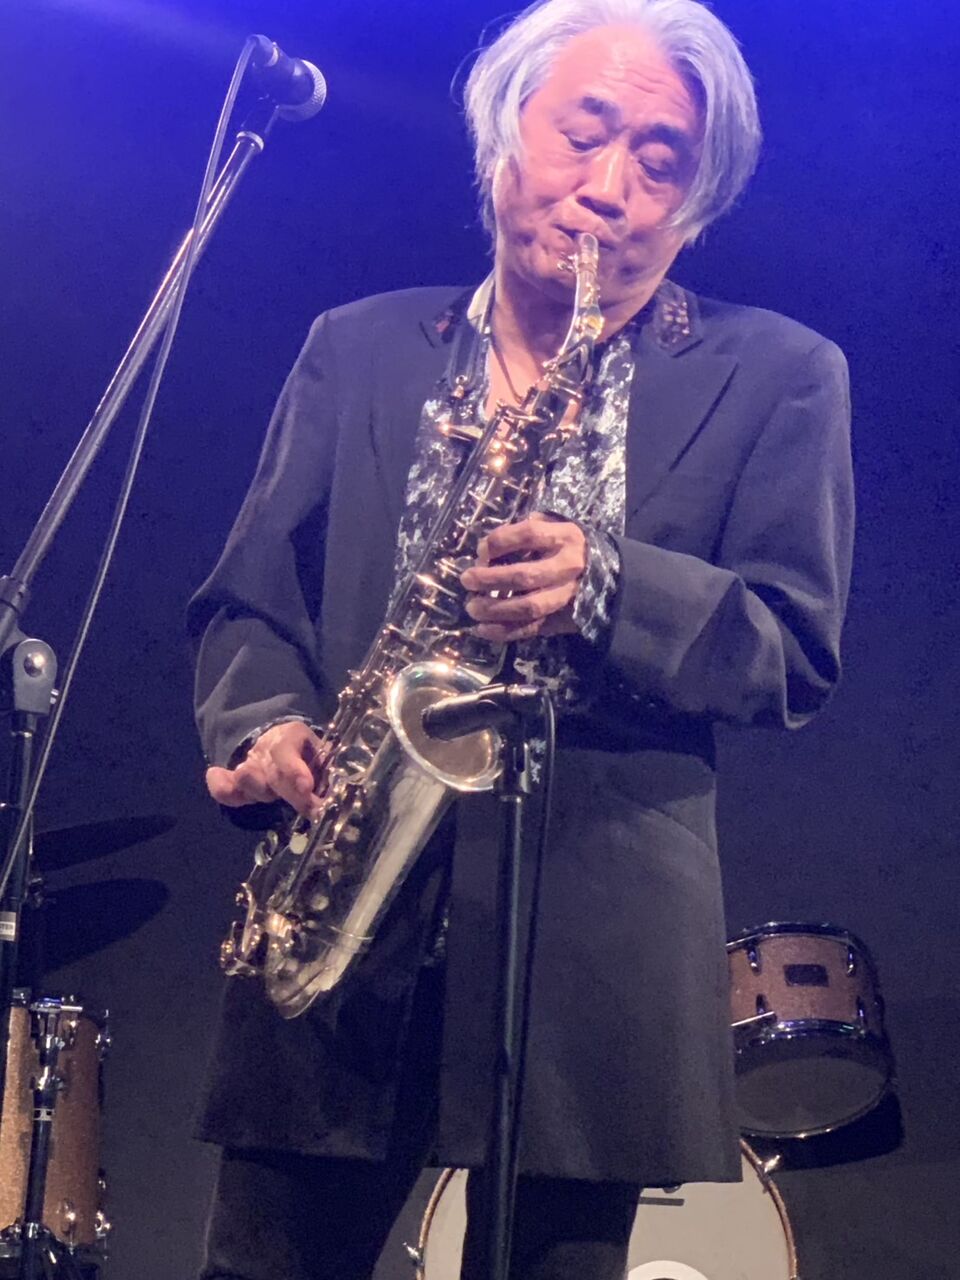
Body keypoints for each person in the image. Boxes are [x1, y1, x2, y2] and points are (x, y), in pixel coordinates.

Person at [188, 1, 853, 1277]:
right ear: (500, 142)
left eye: (659, 161)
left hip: (593, 947)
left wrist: (610, 585)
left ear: (696, 207)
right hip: (341, 910)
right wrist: (263, 724)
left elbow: (792, 647)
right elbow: (248, 597)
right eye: (582, 135)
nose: (609, 187)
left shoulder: (782, 372)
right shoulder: (357, 346)